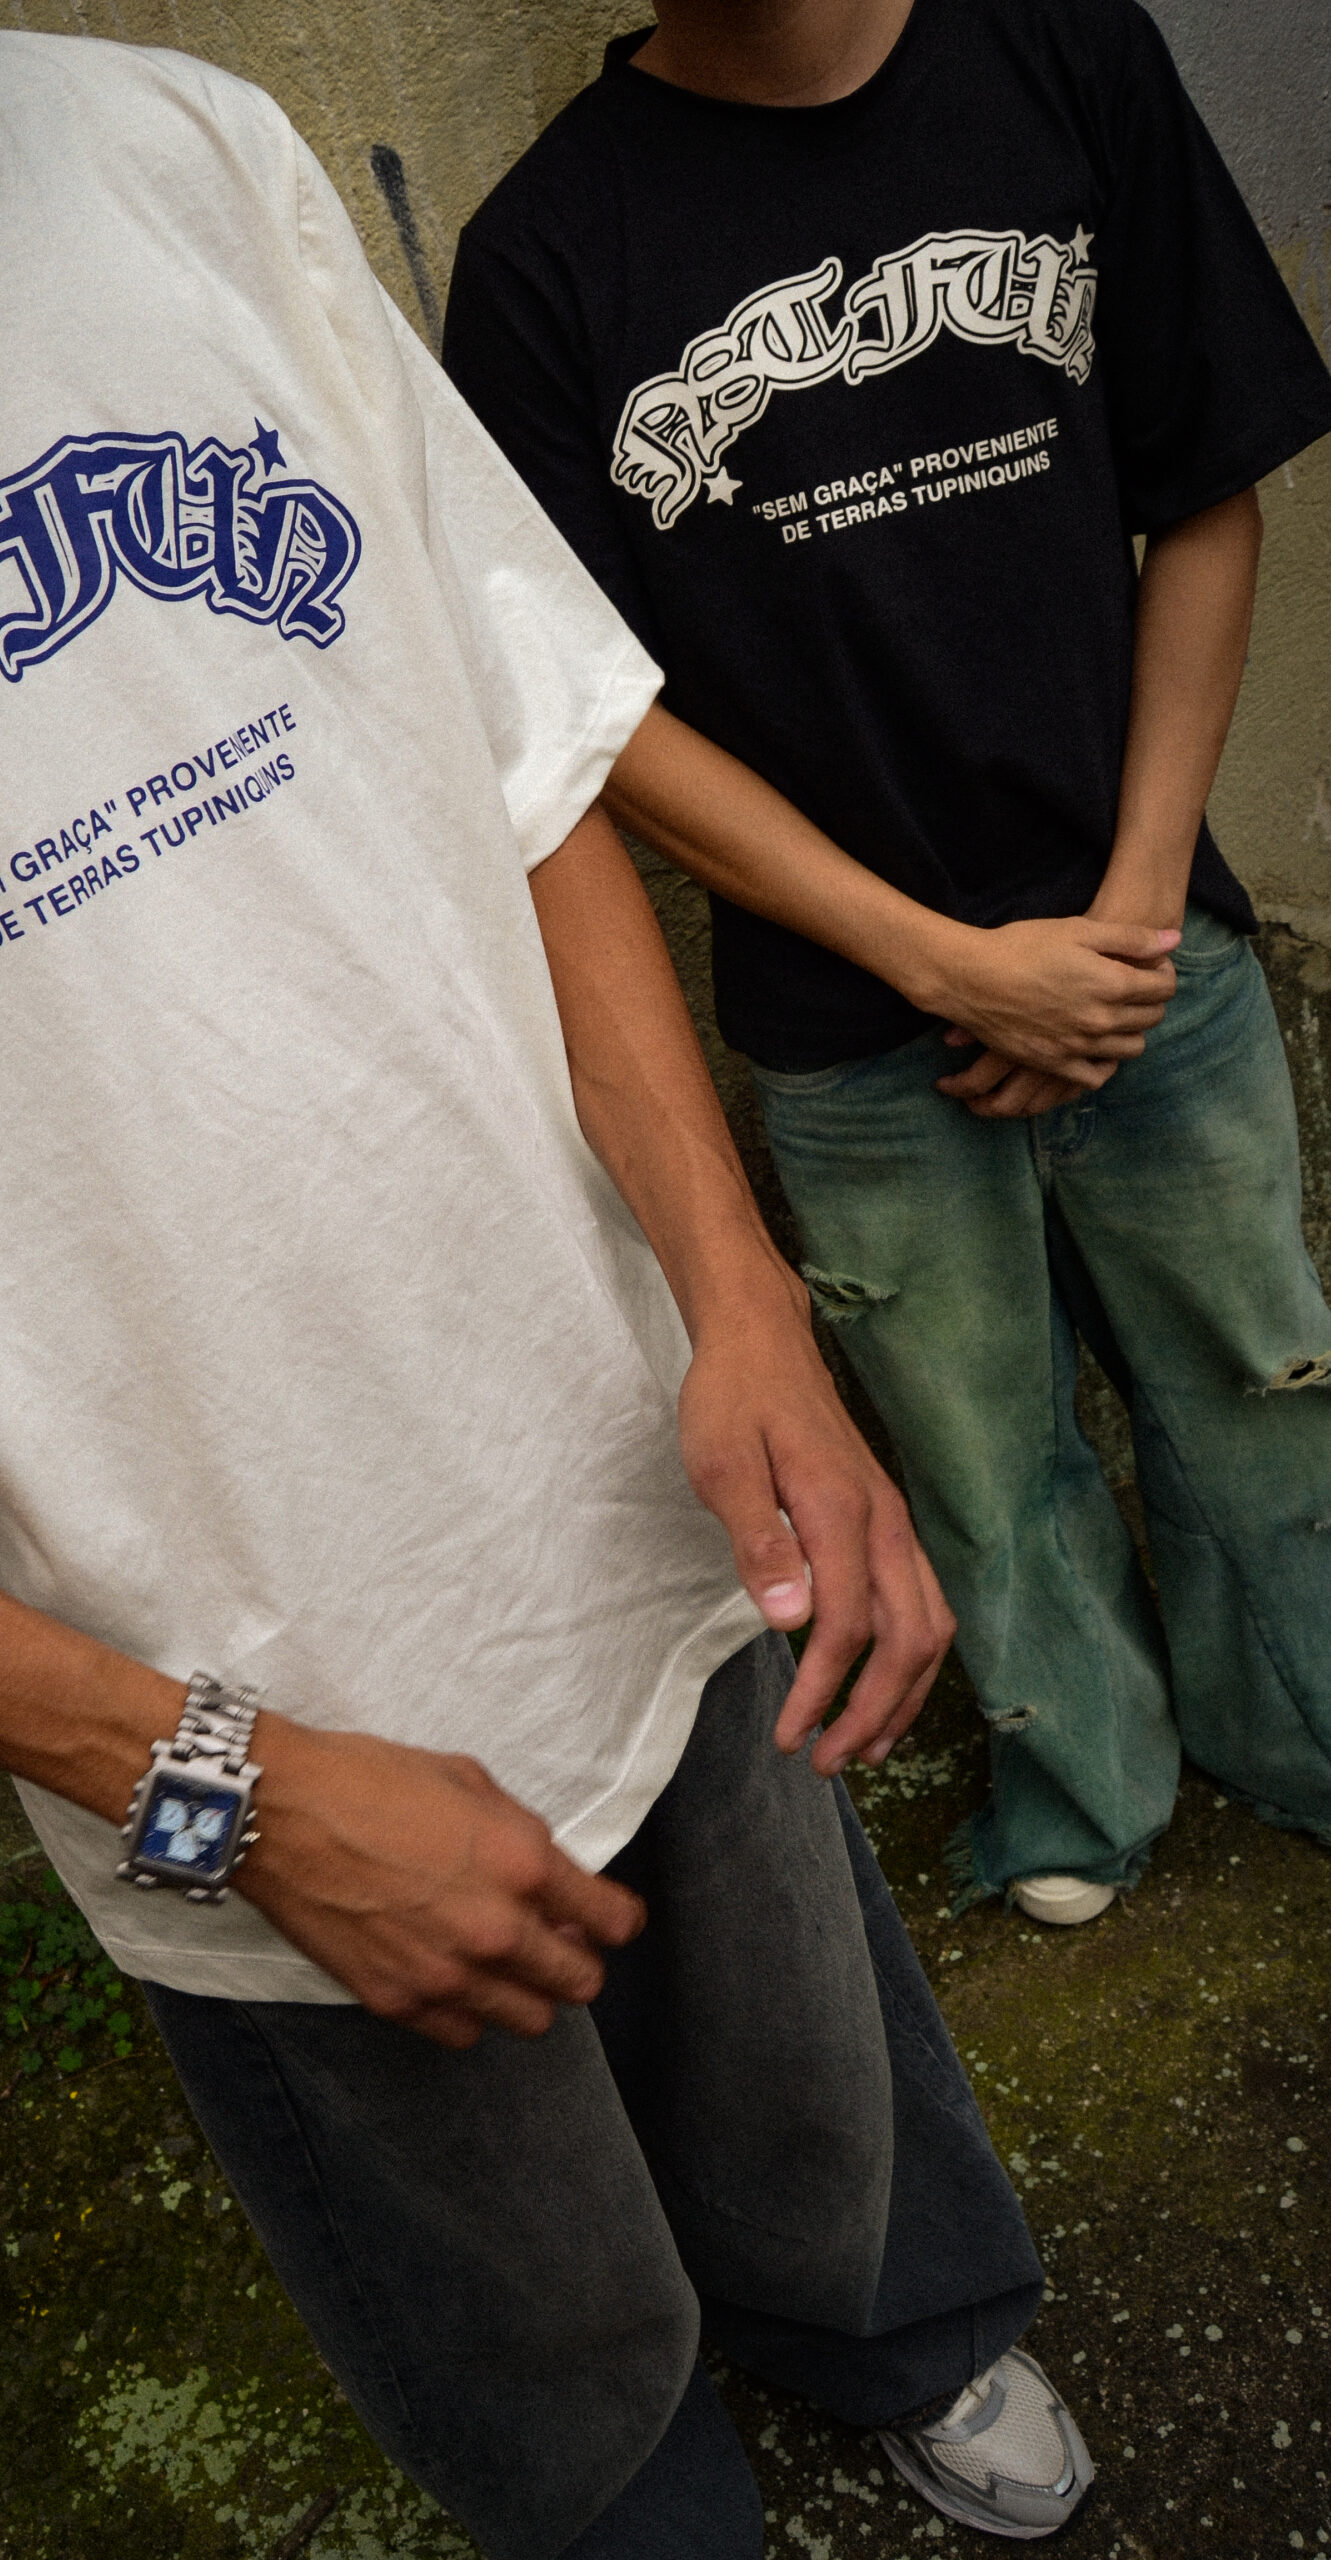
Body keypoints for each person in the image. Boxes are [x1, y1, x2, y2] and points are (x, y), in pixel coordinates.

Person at [0, 2, 1087, 2547]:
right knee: (510, 2289)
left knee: (811, 2046)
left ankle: (900, 2322)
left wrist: (738, 1299)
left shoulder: (170, 148)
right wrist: (210, 1775)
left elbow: (522, 758)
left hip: (630, 1453)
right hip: (205, 1660)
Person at [443, 0, 1331, 1932]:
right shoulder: (546, 256)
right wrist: (942, 964)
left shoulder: (1065, 58)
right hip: (857, 1026)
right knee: (977, 1452)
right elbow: (587, 720)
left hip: (1144, 942)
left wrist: (1132, 912)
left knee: (1261, 1379)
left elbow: (1207, 482)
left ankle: (1302, 1728)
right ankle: (1085, 1783)